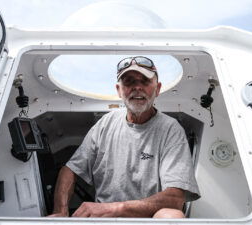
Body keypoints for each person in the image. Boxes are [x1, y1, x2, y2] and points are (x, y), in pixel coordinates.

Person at [49, 56, 200, 218]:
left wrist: (115, 209)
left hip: (148, 220)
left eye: (145, 81)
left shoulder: (170, 129)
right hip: (104, 221)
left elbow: (175, 199)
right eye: (129, 82)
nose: (137, 87)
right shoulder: (106, 124)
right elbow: (70, 170)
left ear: (157, 89)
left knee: (171, 216)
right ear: (119, 90)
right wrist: (60, 211)